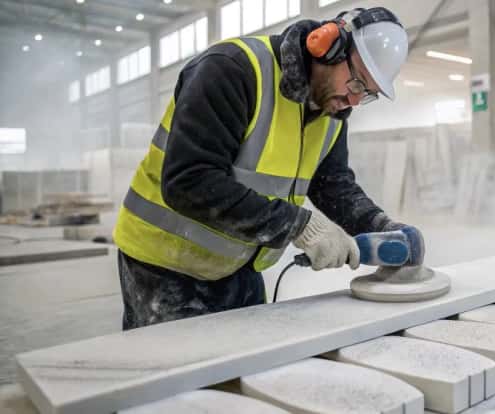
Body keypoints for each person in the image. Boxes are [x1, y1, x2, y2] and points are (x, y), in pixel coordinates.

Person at [113, 7, 422, 329]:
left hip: (239, 265)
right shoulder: (231, 70)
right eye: (357, 83)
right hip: (165, 264)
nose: (354, 101)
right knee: (184, 362)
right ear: (326, 46)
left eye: (368, 94)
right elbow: (189, 181)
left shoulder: (332, 110)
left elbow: (333, 185)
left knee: (251, 357)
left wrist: (380, 225)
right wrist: (299, 226)